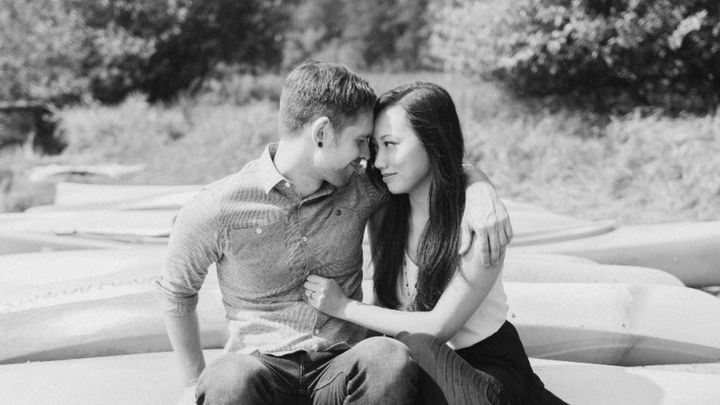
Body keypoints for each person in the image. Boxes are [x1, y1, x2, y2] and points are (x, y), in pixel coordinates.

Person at [157, 62, 512, 405]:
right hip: (260, 367)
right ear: (322, 134)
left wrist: (480, 188)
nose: (368, 157)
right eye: (361, 141)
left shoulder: (362, 187)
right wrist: (191, 382)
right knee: (228, 378)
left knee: (387, 356)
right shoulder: (217, 206)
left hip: (339, 365)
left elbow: (434, 161)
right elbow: (176, 292)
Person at [304, 82, 567, 405]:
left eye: (390, 144)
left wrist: (343, 306)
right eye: (374, 146)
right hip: (423, 372)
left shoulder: (479, 223)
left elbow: (437, 327)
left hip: (489, 378)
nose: (379, 160)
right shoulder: (384, 209)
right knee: (397, 356)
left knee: (416, 344)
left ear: (433, 141)